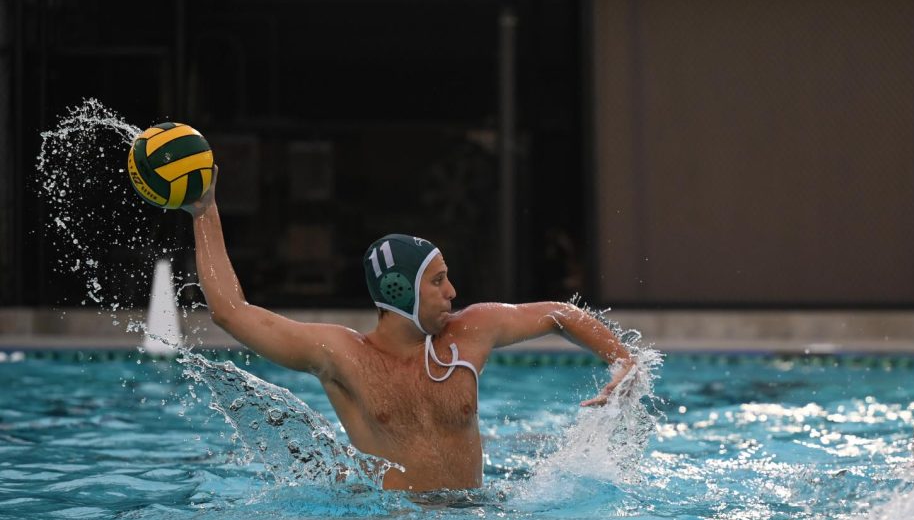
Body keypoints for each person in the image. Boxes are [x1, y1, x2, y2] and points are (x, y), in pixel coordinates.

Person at [184, 171, 639, 492]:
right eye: (438, 280)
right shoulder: (342, 354)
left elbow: (560, 314)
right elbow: (231, 312)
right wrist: (205, 211)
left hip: (473, 517)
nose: (452, 291)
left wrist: (623, 361)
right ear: (398, 289)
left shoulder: (468, 334)